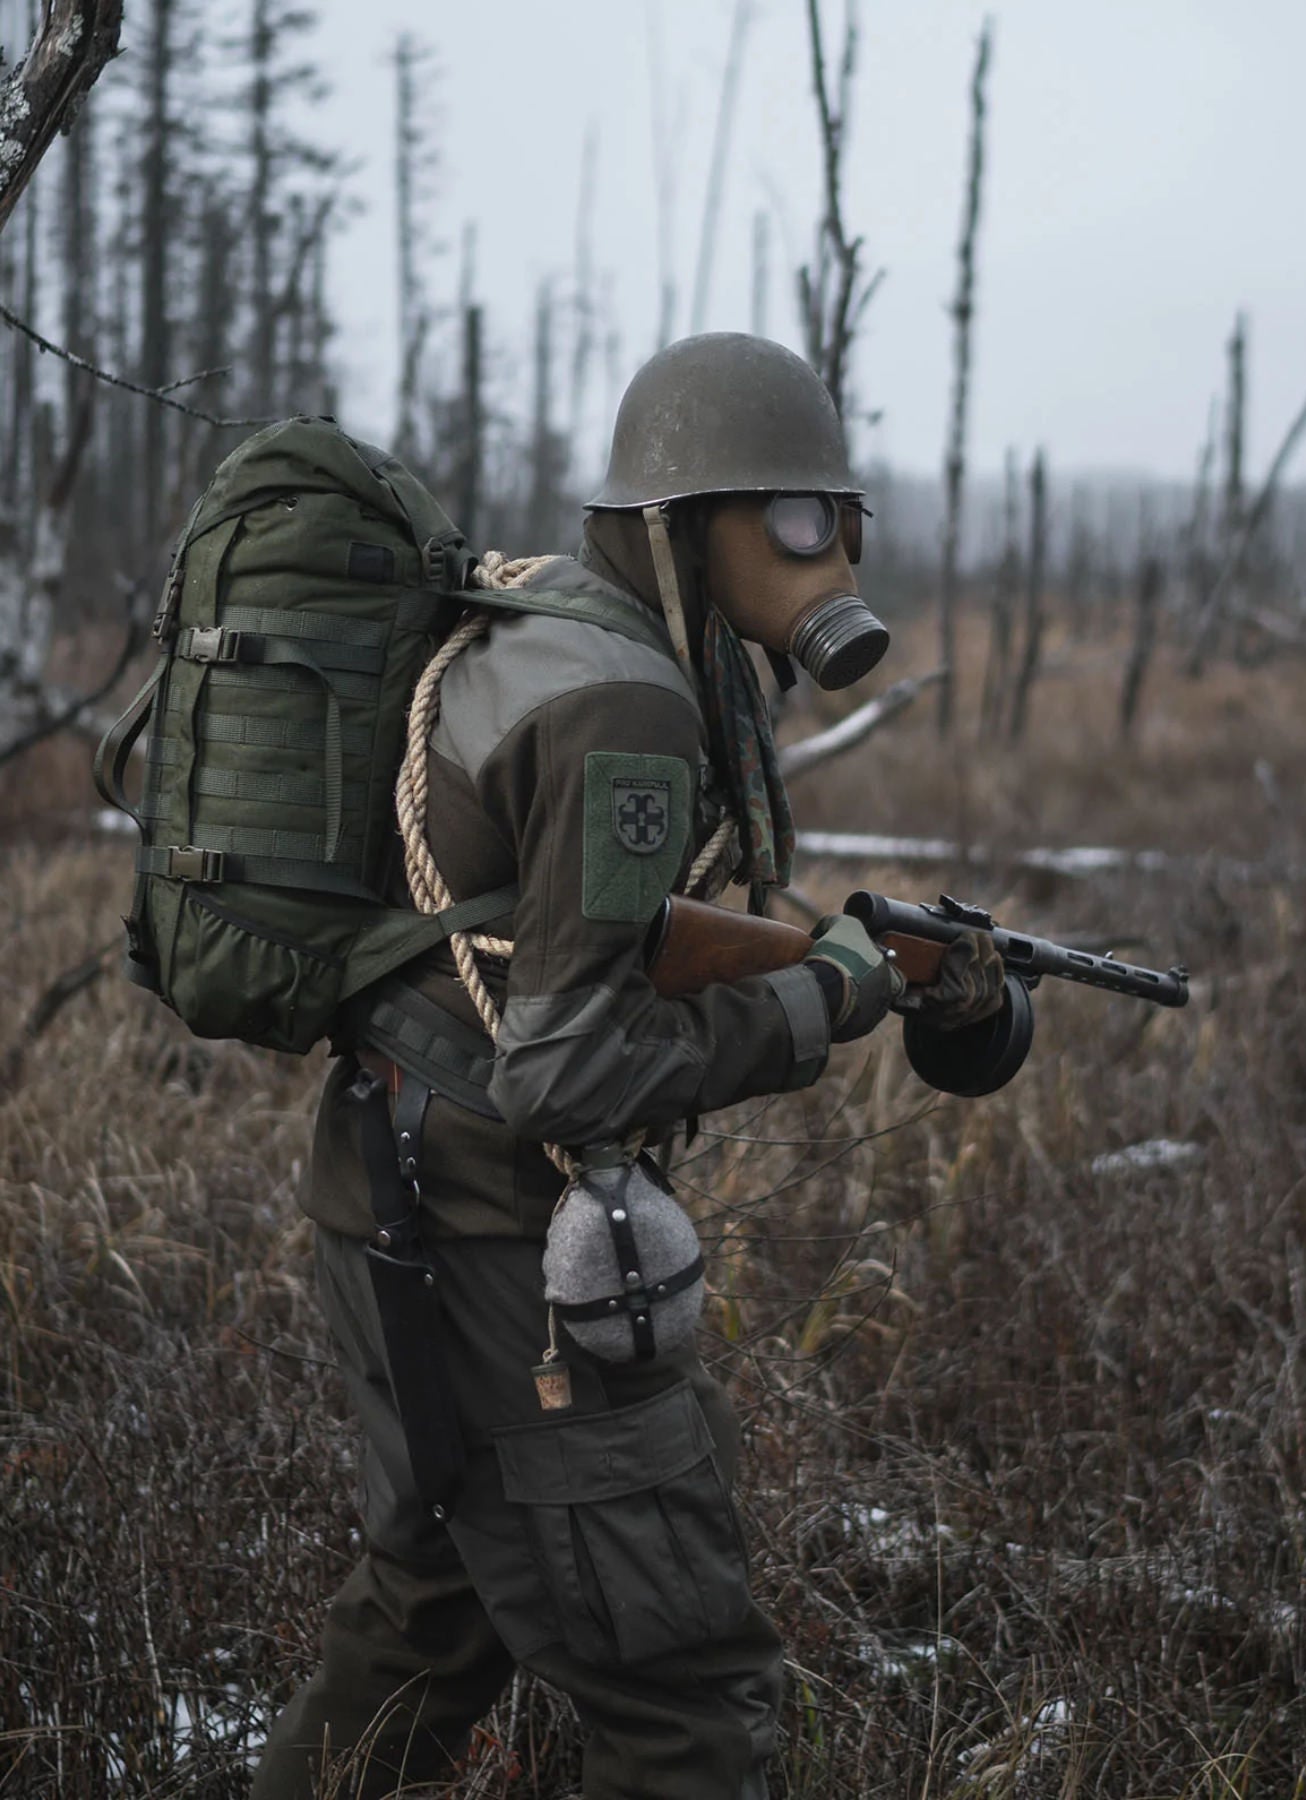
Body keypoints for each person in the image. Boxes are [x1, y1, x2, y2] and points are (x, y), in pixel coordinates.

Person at [251, 333, 1003, 1800]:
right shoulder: (626, 703)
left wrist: (843, 958)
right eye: (798, 518)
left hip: (394, 1192)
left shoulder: (554, 628)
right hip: (493, 1244)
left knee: (431, 1617)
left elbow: (561, 939)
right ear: (685, 521)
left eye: (843, 517)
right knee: (687, 1706)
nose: (833, 554)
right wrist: (828, 997)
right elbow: (566, 1068)